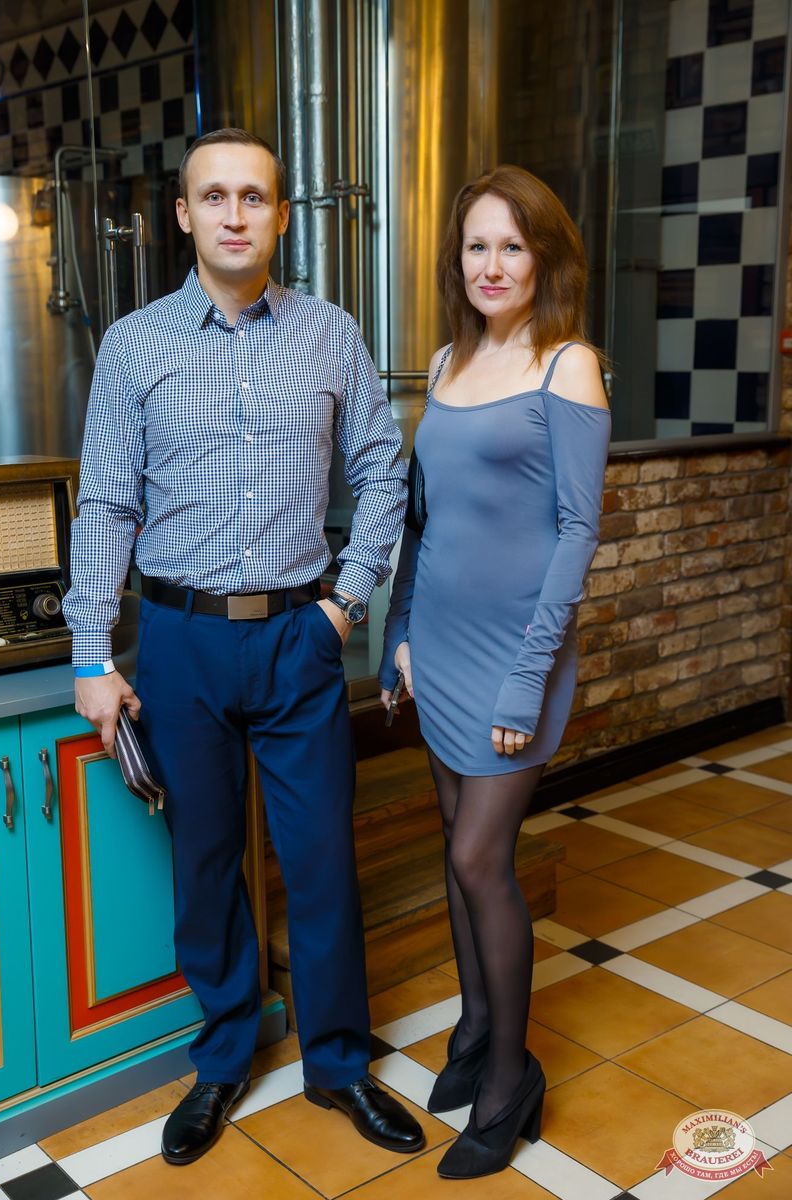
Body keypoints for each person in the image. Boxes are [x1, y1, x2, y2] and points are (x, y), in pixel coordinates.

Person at [64, 127, 424, 1166]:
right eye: (214, 196)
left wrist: (344, 605)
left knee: (319, 862)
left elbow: (383, 471)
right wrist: (91, 654)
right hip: (178, 641)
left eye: (253, 197)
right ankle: (223, 1057)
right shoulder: (133, 344)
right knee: (208, 860)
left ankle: (338, 1065)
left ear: (280, 216)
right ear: (184, 214)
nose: (234, 214)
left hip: (299, 639)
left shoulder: (330, 334)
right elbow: (106, 505)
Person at [379, 164, 610, 1179]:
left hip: (519, 655)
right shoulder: (445, 362)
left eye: (512, 245)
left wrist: (527, 678)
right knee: (451, 837)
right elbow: (424, 518)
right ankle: (475, 1027)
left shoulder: (569, 366)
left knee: (481, 857)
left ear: (543, 257)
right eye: (477, 245)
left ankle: (512, 1078)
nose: (492, 264)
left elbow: (576, 532)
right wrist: (398, 632)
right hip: (436, 640)